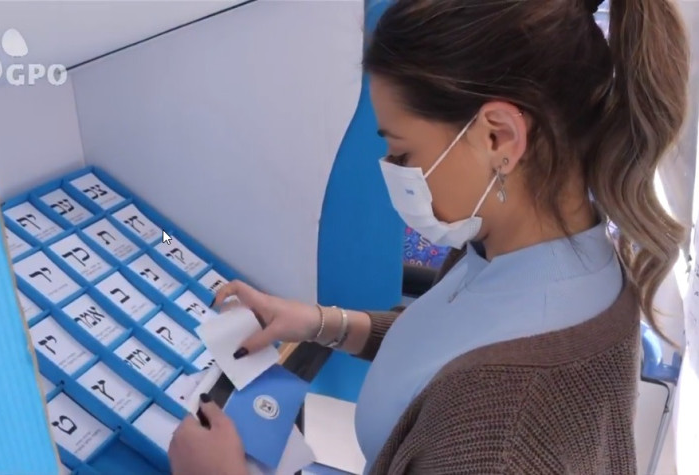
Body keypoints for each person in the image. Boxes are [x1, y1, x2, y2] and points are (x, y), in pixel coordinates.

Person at [168, 0, 690, 473]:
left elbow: (473, 386)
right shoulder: (544, 254)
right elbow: (447, 344)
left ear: (498, 137)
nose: (392, 172)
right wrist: (320, 323)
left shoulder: (505, 433)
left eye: (403, 153)